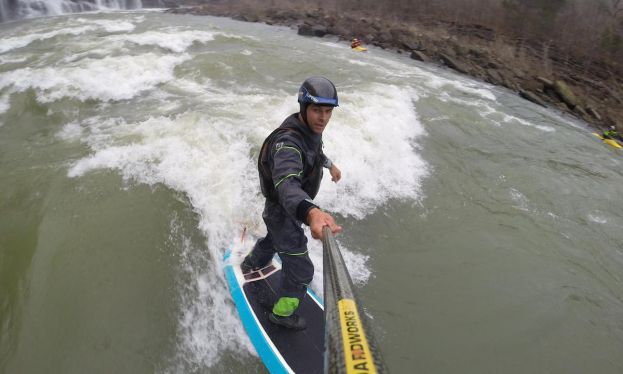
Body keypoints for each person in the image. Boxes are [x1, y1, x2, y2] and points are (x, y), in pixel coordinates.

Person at [241, 77, 343, 330]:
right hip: (283, 210)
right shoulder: (287, 144)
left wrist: (330, 165)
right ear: (304, 108)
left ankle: (252, 264)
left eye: (328, 111)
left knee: (274, 240)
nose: (323, 118)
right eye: (317, 110)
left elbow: (315, 152)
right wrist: (311, 212)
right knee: (301, 270)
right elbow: (287, 184)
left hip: (285, 211)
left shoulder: (309, 131)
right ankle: (282, 314)